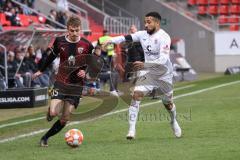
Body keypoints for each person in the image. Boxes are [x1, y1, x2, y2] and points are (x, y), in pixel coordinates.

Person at [103, 12, 182, 139]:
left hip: (163, 73)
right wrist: (111, 40)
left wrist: (145, 64)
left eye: (149, 22)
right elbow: (125, 38)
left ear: (157, 23)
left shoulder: (164, 37)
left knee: (168, 103)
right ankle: (131, 130)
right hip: (148, 73)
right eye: (145, 21)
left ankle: (173, 121)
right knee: (136, 95)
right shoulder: (142, 35)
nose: (146, 24)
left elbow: (163, 59)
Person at [32, 16, 95, 147]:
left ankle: (45, 138)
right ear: (67, 29)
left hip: (77, 86)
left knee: (65, 118)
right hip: (61, 81)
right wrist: (41, 70)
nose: (74, 33)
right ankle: (50, 110)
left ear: (80, 29)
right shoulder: (60, 41)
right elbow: (51, 56)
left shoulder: (87, 45)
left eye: (77, 30)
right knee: (54, 112)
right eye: (72, 30)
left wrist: (86, 71)